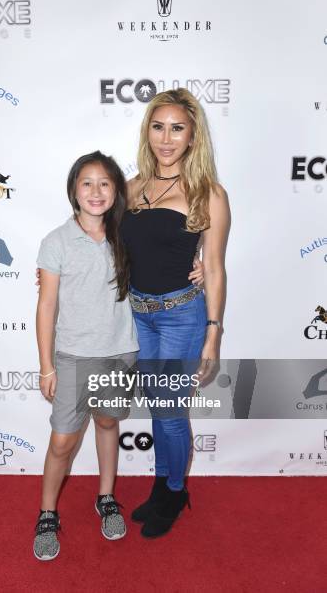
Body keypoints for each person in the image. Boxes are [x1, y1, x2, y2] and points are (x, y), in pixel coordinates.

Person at [120, 88, 230, 538]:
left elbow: (217, 268)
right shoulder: (129, 188)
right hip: (138, 314)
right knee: (156, 407)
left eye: (177, 128)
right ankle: (162, 484)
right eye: (158, 126)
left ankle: (175, 488)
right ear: (148, 131)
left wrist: (213, 334)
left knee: (169, 410)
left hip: (181, 316)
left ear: (192, 137)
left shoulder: (209, 193)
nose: (167, 138)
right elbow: (111, 251)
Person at [34, 150, 140, 561]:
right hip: (74, 357)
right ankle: (47, 513)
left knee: (108, 422)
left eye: (105, 183)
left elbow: (166, 258)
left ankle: (107, 497)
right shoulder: (56, 241)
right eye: (87, 183)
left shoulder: (125, 236)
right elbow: (46, 306)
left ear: (116, 191)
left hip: (119, 352)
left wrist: (200, 266)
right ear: (73, 190)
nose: (96, 191)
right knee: (62, 440)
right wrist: (46, 366)